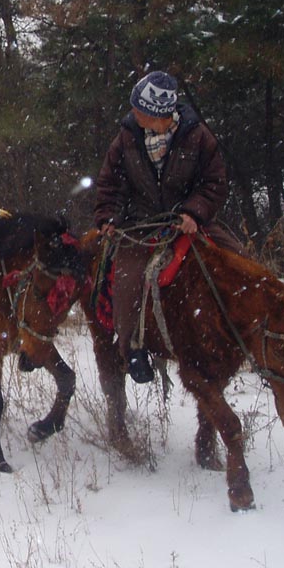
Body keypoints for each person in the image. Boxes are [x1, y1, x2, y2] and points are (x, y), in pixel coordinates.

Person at [93, 71, 245, 383]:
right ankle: (131, 349)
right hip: (141, 226)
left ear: (162, 115)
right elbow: (110, 184)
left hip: (188, 222)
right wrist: (108, 217)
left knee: (241, 263)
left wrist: (194, 212)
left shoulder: (198, 137)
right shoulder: (126, 138)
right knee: (126, 280)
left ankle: (248, 334)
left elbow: (215, 183)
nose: (134, 114)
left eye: (141, 111)